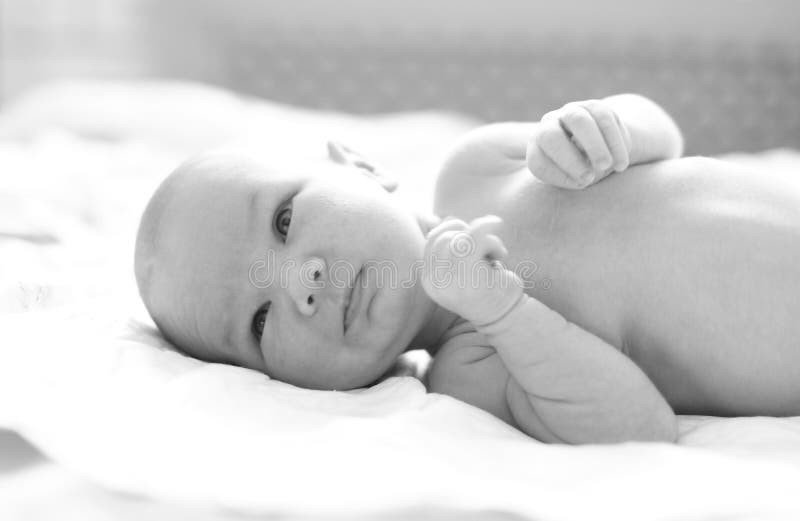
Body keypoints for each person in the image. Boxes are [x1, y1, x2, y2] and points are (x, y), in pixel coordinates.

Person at [134, 94, 800, 444]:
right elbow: (640, 425)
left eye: (283, 220)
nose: (300, 284)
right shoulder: (471, 373)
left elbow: (664, 137)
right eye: (259, 319)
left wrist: (607, 126)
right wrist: (504, 312)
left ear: (361, 165)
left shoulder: (476, 168)